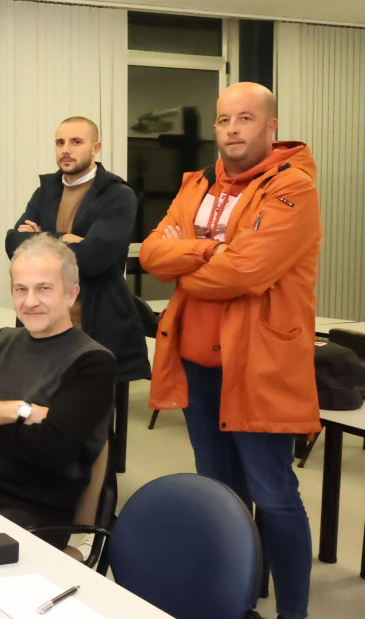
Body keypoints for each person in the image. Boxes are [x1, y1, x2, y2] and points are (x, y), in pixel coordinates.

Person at [139, 82, 320, 619]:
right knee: (221, 491)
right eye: (223, 120)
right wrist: (206, 249)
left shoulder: (294, 189)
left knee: (275, 493)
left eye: (245, 119)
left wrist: (188, 266)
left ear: (271, 127)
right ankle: (237, 602)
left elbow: (248, 269)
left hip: (259, 366)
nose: (233, 129)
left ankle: (293, 612)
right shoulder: (197, 184)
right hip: (199, 365)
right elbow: (151, 252)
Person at [0, 235, 115, 538]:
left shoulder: (93, 362)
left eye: (44, 288)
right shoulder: (0, 341)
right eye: (21, 289)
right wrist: (21, 410)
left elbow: (53, 450)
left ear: (71, 295)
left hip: (35, 514)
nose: (29, 301)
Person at [5, 117, 150, 472]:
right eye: (59, 143)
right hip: (41, 323)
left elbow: (98, 256)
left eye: (75, 142)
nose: (66, 150)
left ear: (96, 148)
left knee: (91, 419)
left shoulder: (118, 194)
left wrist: (42, 239)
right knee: (38, 408)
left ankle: (98, 499)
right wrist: (67, 240)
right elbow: (14, 243)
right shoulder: (46, 191)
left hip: (94, 322)